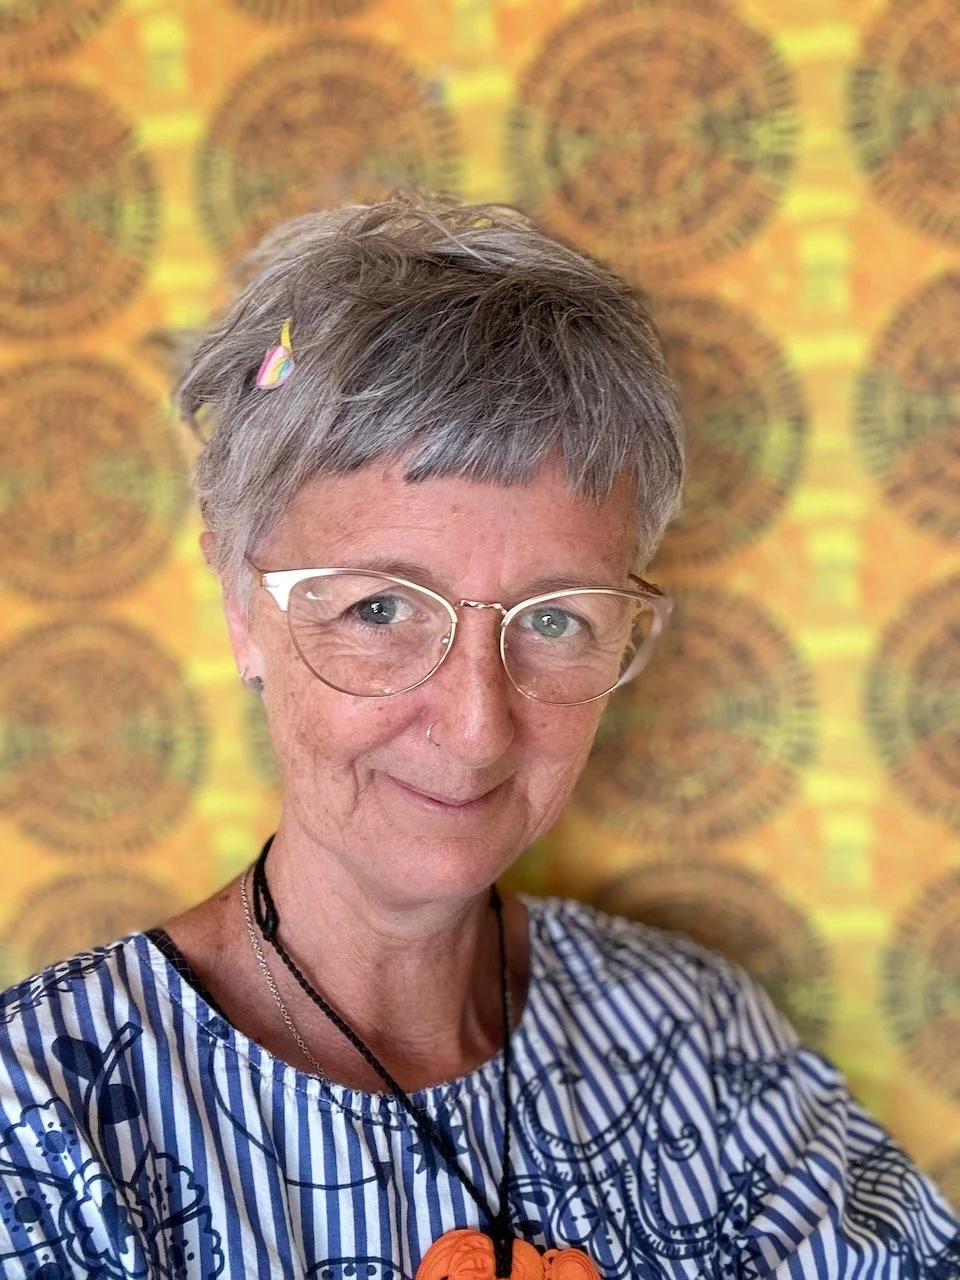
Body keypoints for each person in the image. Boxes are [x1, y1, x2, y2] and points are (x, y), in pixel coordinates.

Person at [0, 194, 955, 1280]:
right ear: (241, 606)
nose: (474, 724)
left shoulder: (695, 1036)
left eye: (556, 619)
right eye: (380, 608)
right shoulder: (47, 1124)